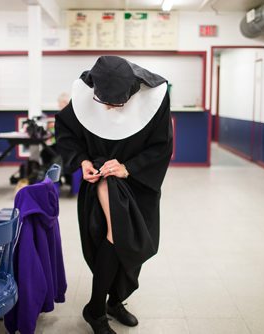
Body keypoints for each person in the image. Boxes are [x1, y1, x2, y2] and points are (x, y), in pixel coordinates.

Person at [55, 56, 172, 334]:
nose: (108, 108)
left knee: (137, 244)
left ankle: (115, 301)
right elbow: (66, 132)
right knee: (117, 234)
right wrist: (82, 160)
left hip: (139, 180)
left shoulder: (155, 96)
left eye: (116, 104)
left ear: (132, 91)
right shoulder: (84, 92)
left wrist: (128, 167)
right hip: (102, 178)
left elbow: (161, 146)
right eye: (103, 102)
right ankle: (96, 309)